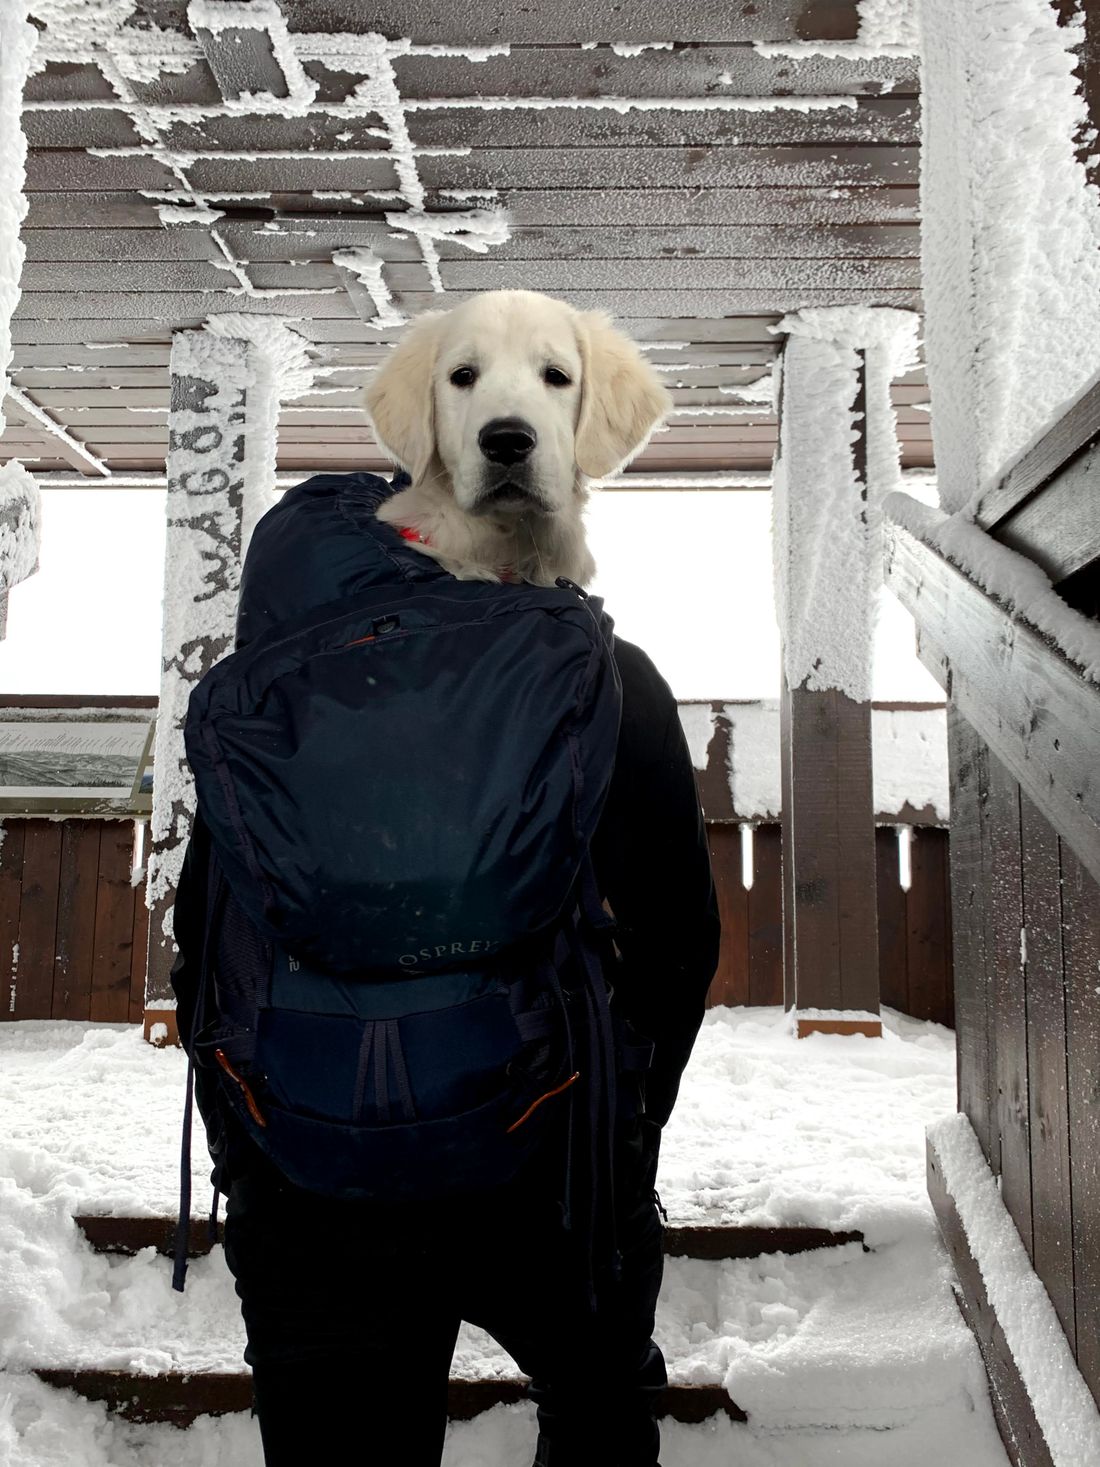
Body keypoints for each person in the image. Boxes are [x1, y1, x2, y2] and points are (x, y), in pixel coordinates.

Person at [171, 517, 720, 1467]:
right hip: (556, 1167)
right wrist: (623, 1125)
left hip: (309, 1176)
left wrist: (255, 1153)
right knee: (597, 1416)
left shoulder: (273, 702)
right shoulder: (601, 675)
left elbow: (204, 948)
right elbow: (679, 941)